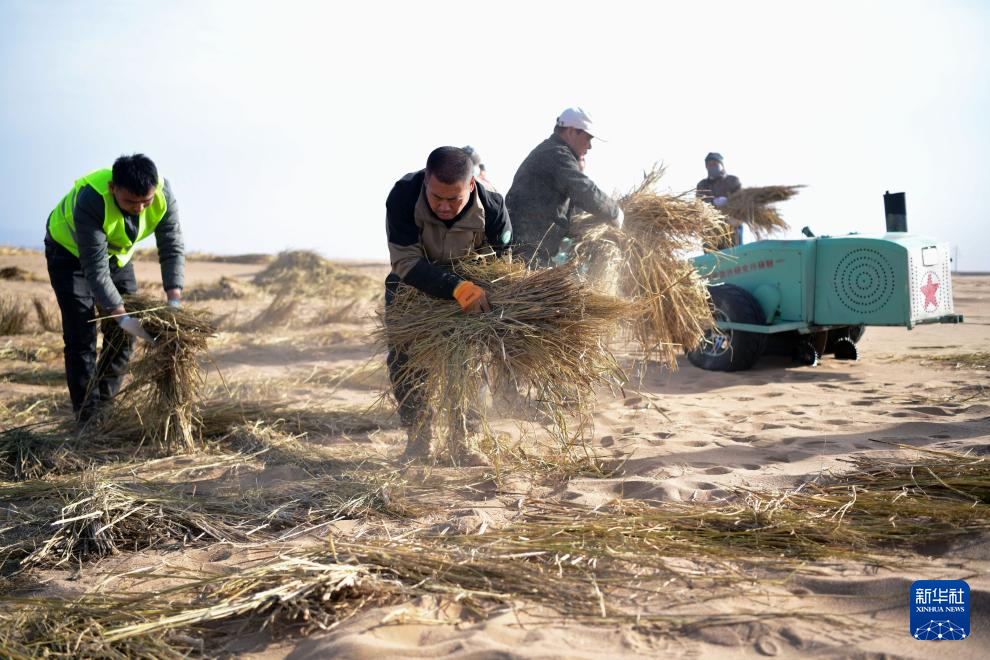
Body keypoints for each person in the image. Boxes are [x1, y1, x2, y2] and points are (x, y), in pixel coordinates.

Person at [385, 146, 512, 464]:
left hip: (472, 295)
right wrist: (454, 287)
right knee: (405, 361)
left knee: (470, 364)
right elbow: (405, 262)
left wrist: (478, 291)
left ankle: (463, 442)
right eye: (436, 197)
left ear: (471, 185)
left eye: (453, 199)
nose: (443, 206)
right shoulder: (404, 195)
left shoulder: (493, 207)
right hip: (412, 288)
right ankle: (419, 440)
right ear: (427, 180)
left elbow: (503, 267)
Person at [44, 154, 184, 423]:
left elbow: (172, 245)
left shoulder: (164, 193)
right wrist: (120, 316)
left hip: (115, 256)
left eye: (147, 201)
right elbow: (95, 269)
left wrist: (174, 299)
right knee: (81, 335)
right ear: (113, 189)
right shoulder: (91, 200)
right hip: (68, 255)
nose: (140, 208)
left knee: (124, 336)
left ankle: (105, 405)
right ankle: (87, 417)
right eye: (131, 201)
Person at [505, 107, 623, 266]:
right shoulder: (556, 154)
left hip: (532, 248)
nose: (590, 146)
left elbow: (569, 205)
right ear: (572, 131)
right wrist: (614, 213)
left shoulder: (552, 152)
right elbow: (582, 189)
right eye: (588, 138)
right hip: (527, 250)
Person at [696, 152, 743, 248]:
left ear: (721, 165)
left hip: (732, 225)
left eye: (714, 164)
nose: (711, 167)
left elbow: (742, 200)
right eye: (709, 165)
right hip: (711, 229)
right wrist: (712, 202)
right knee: (713, 257)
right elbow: (699, 203)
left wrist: (728, 201)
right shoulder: (702, 185)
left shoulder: (732, 181)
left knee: (735, 254)